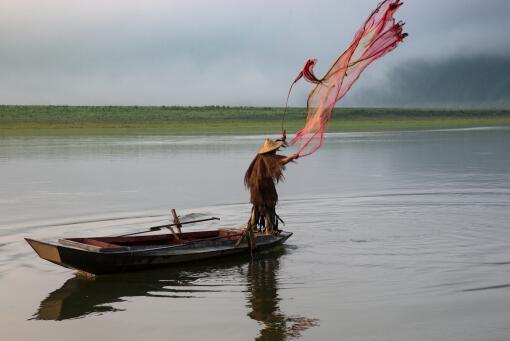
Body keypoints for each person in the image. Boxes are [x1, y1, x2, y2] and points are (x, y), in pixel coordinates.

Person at [244, 132, 298, 236]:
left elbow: (276, 144)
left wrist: (282, 139)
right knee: (267, 206)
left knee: (258, 205)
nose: (277, 149)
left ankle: (252, 227)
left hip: (256, 186)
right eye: (275, 148)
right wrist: (291, 158)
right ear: (271, 150)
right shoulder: (267, 158)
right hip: (262, 186)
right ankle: (269, 231)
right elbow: (280, 162)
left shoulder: (261, 155)